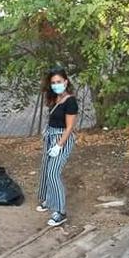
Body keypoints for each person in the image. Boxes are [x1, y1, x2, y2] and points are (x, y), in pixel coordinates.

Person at [37, 67, 78, 227]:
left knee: (54, 173)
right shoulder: (55, 98)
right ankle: (49, 200)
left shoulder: (70, 101)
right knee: (46, 168)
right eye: (53, 83)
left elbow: (69, 127)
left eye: (59, 82)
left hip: (62, 139)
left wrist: (59, 145)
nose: (56, 85)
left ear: (66, 82)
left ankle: (61, 212)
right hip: (50, 136)